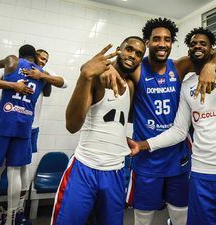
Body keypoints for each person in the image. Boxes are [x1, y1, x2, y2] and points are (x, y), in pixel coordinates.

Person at [128, 27, 216, 225]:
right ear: (189, 50)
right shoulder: (187, 85)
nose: (197, 46)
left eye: (203, 43)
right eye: (193, 44)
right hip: (201, 173)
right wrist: (142, 145)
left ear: (211, 48)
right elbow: (179, 131)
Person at [103, 18, 216, 225]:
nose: (162, 44)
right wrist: (108, 68)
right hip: (145, 157)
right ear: (148, 42)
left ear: (172, 43)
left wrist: (211, 66)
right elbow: (107, 67)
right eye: (157, 39)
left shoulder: (178, 67)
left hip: (178, 157)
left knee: (181, 213)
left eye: (167, 40)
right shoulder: (138, 68)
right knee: (143, 216)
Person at [51, 37, 146, 225]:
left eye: (138, 54)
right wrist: (84, 75)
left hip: (115, 170)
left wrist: (122, 139)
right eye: (129, 49)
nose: (132, 55)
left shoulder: (131, 86)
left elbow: (118, 120)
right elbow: (71, 126)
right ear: (119, 49)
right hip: (85, 167)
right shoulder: (95, 78)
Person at [0, 49, 68, 224]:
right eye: (41, 58)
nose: (43, 62)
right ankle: (7, 216)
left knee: (9, 170)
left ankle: (5, 214)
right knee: (12, 171)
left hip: (22, 126)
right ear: (34, 57)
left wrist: (36, 76)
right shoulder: (38, 72)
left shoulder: (28, 69)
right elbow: (63, 83)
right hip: (19, 125)